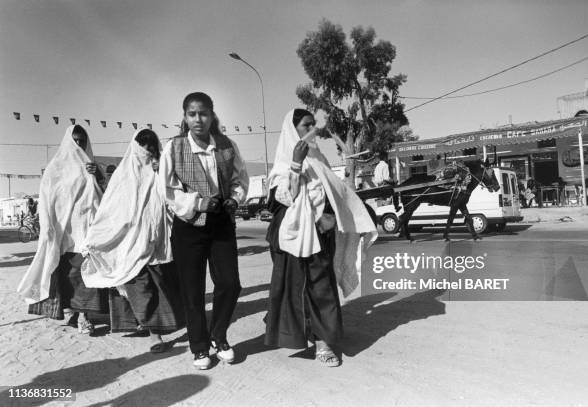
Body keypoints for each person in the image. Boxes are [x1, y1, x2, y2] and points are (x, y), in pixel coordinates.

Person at [264, 109, 378, 367]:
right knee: (293, 289)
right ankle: (298, 333)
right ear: (294, 130)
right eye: (307, 126)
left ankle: (324, 343)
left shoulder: (320, 160)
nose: (313, 130)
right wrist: (295, 163)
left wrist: (331, 217)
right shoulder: (283, 164)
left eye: (313, 125)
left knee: (322, 289)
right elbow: (282, 200)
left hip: (321, 236)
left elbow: (336, 196)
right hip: (290, 238)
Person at [159, 92, 249, 369]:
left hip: (221, 222)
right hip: (189, 227)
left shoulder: (225, 145)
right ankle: (199, 346)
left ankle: (218, 335)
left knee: (230, 283)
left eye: (203, 113)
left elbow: (240, 178)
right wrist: (198, 203)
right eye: (192, 114)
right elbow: (167, 190)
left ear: (212, 115)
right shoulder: (173, 148)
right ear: (185, 117)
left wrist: (235, 197)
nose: (198, 119)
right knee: (192, 290)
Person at [81, 129, 184, 353]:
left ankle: (152, 329)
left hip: (157, 243)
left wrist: (165, 174)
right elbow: (110, 209)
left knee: (156, 288)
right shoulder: (123, 175)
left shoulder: (162, 171)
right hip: (130, 244)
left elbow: (176, 199)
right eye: (144, 146)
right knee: (140, 288)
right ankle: (153, 334)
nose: (149, 151)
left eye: (152, 147)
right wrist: (96, 239)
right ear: (136, 147)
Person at [17, 125, 106, 334]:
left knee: (85, 275)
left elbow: (106, 199)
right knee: (66, 276)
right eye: (74, 140)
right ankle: (74, 312)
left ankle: (84, 316)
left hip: (86, 232)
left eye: (82, 141)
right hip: (63, 234)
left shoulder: (93, 167)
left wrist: (99, 177)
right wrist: (49, 230)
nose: (78, 144)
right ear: (67, 141)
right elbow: (48, 199)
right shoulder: (55, 168)